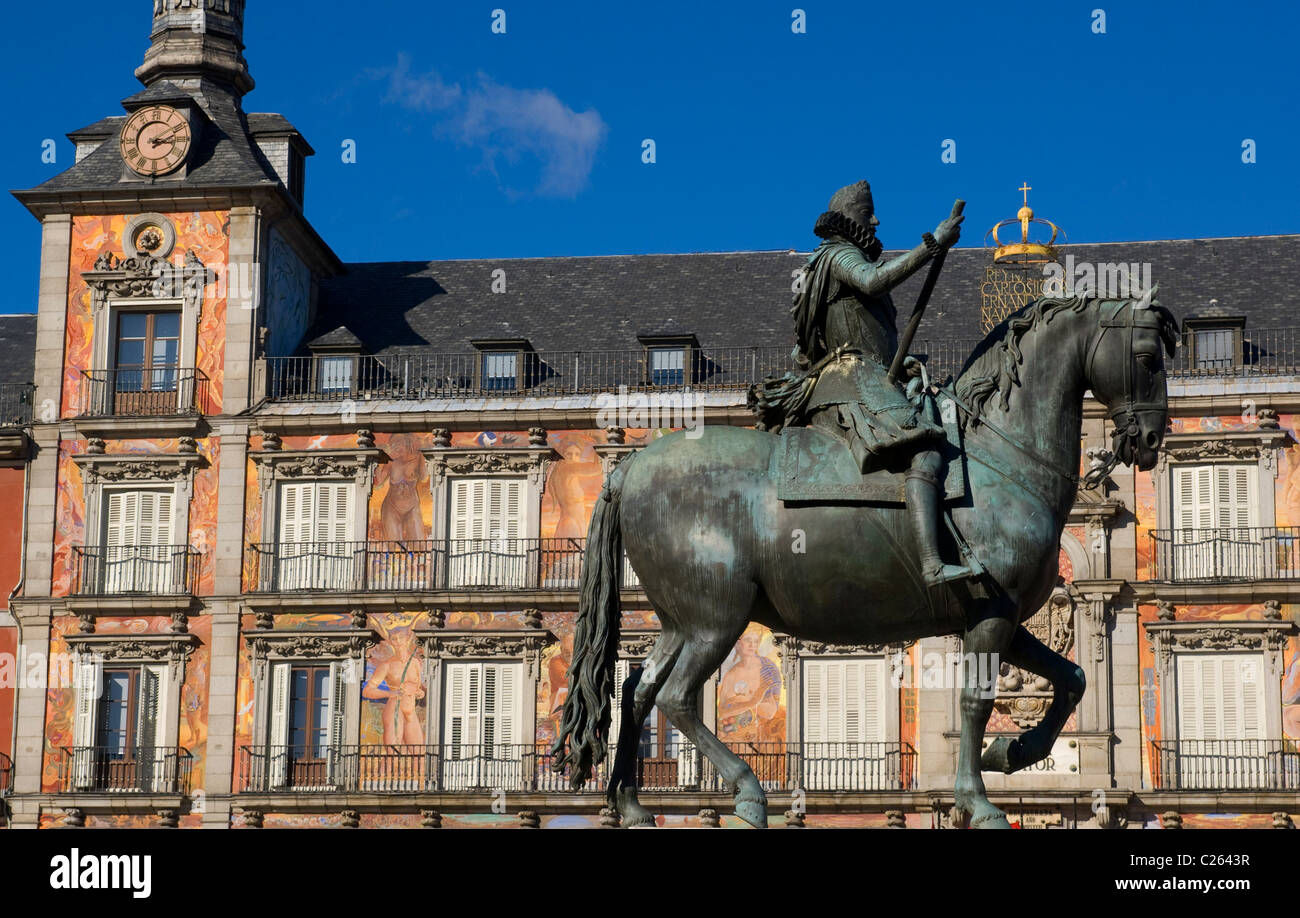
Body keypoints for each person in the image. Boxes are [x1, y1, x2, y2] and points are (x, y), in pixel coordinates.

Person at [754, 180, 972, 586]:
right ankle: (931, 562)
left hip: (862, 372)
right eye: (867, 212)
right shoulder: (839, 256)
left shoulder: (831, 262)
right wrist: (933, 244)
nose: (875, 220)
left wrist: (897, 359)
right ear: (848, 218)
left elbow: (862, 329)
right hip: (851, 378)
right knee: (924, 450)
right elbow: (874, 282)